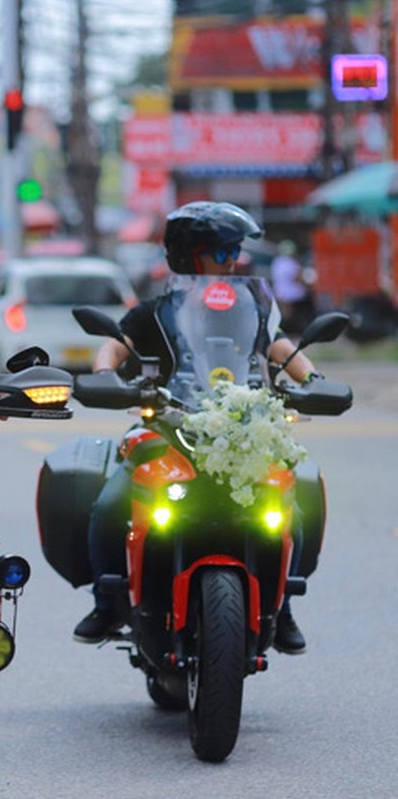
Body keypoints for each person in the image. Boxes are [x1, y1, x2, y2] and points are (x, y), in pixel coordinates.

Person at [73, 201, 319, 655]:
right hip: (166, 425)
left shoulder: (254, 307)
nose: (231, 261)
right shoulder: (156, 310)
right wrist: (106, 374)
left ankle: (281, 607)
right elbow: (115, 348)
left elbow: (282, 349)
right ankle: (106, 602)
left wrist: (314, 380)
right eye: (221, 252)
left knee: (292, 509)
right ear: (190, 255)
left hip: (244, 430)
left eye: (235, 252)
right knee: (109, 505)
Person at [271, 239, 314, 334]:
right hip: (293, 296)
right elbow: (299, 279)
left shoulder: (276, 262)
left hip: (279, 294)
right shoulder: (291, 263)